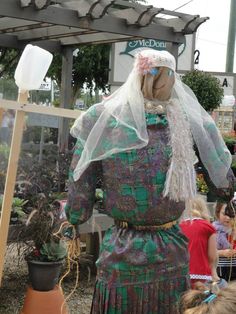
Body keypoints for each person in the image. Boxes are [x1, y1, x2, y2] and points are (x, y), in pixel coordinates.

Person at [65, 49, 232, 313]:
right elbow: (224, 185)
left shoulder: (102, 118)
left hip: (122, 251)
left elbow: (77, 205)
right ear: (173, 78)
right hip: (170, 250)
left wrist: (75, 216)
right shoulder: (188, 120)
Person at [180, 197, 219, 287]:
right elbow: (212, 256)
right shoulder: (208, 227)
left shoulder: (179, 227)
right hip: (201, 273)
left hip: (182, 273)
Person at [213, 202, 236, 281]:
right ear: (218, 213)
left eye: (231, 214)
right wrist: (222, 252)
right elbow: (206, 252)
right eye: (224, 214)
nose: (228, 217)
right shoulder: (212, 230)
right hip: (220, 270)